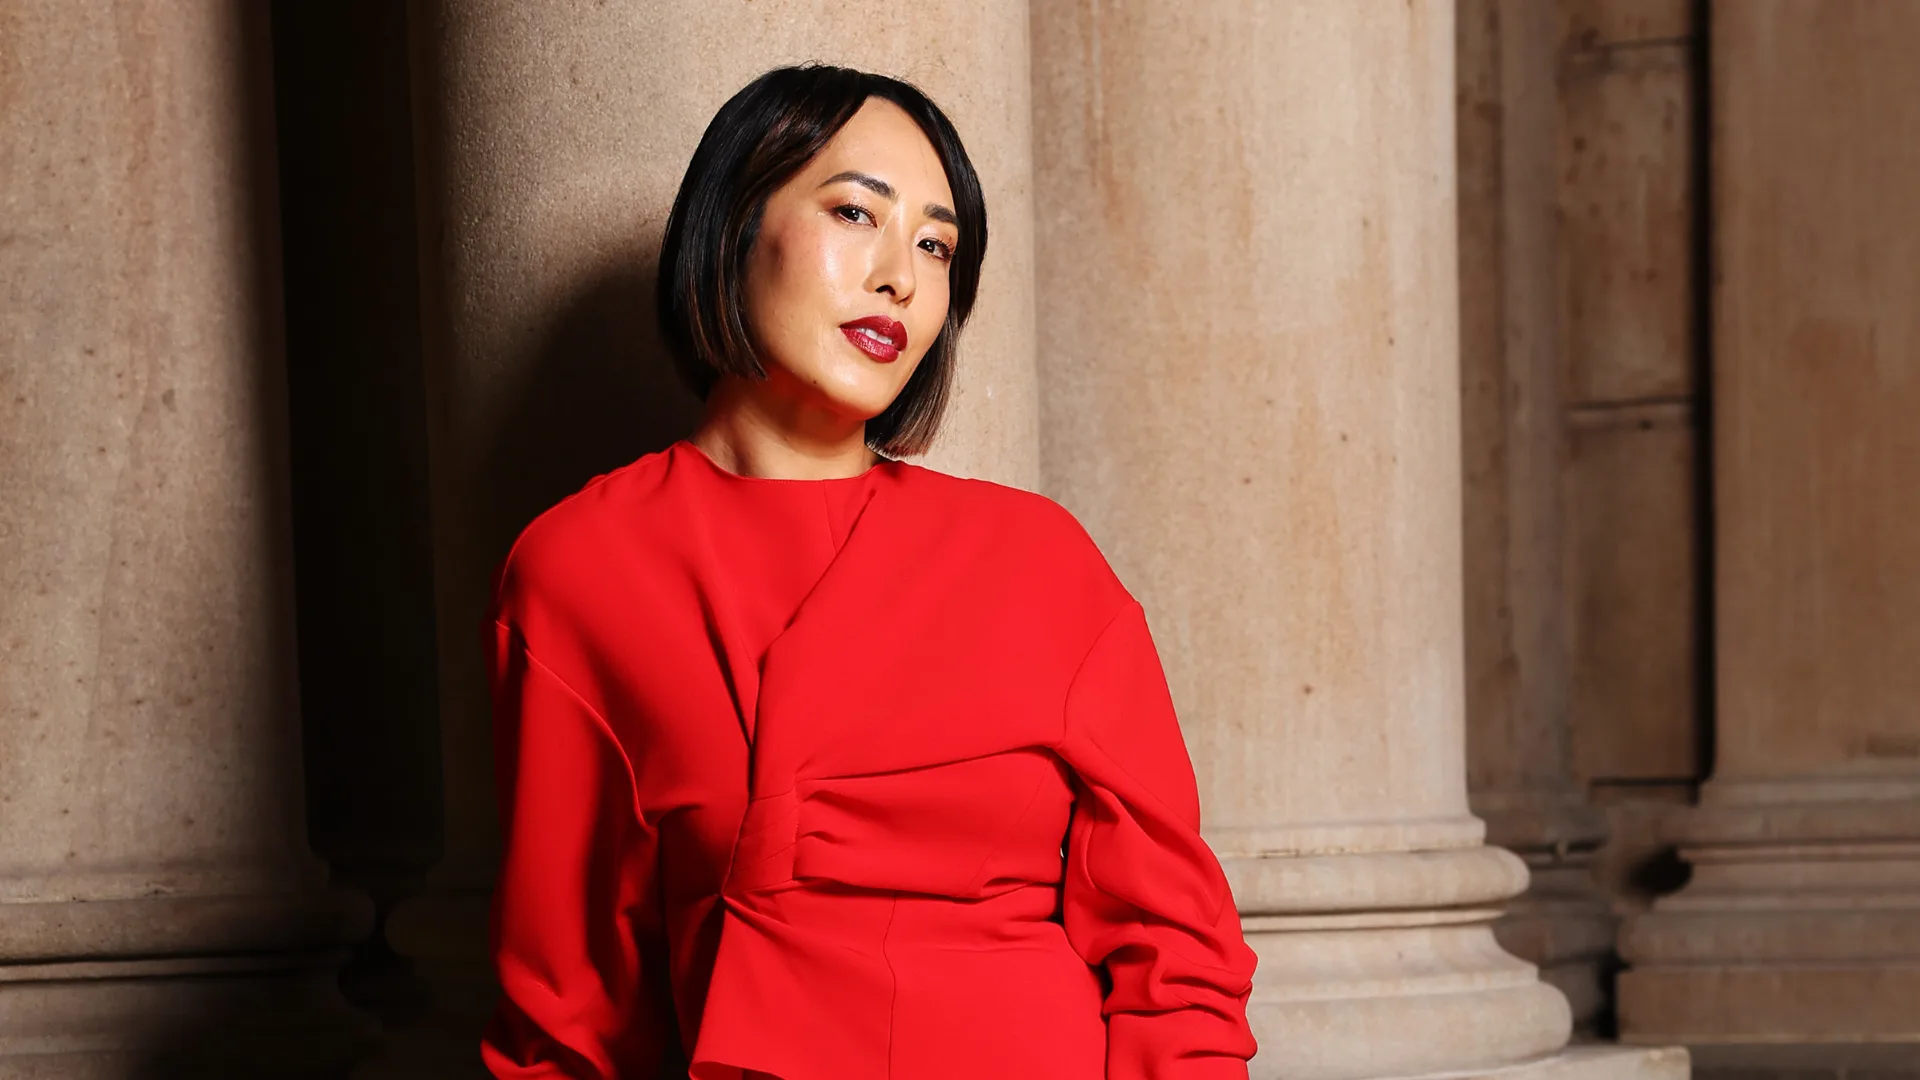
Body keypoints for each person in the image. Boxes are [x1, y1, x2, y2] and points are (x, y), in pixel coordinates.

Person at [480, 63, 1258, 1080]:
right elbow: (569, 1015)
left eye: (937, 247)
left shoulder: (1038, 562)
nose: (902, 276)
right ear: (730, 224)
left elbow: (1176, 954)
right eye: (856, 213)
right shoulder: (581, 569)